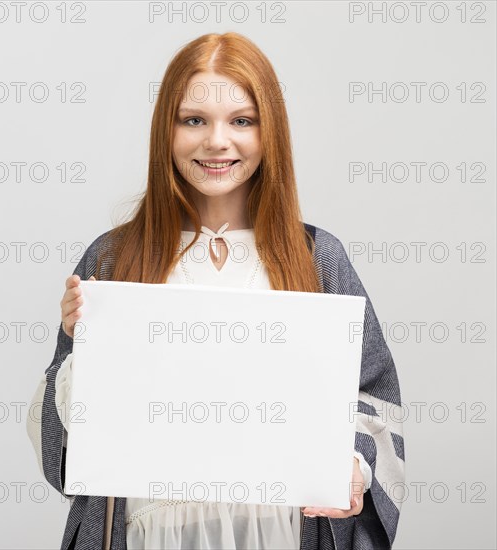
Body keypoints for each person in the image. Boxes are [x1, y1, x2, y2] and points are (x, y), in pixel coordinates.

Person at [27, 32, 405, 550]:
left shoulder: (318, 257)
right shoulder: (112, 258)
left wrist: (355, 466)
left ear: (269, 132)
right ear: (167, 129)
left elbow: (372, 394)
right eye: (194, 120)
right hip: (147, 531)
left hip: (281, 531)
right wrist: (82, 346)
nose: (217, 141)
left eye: (242, 121)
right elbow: (63, 441)